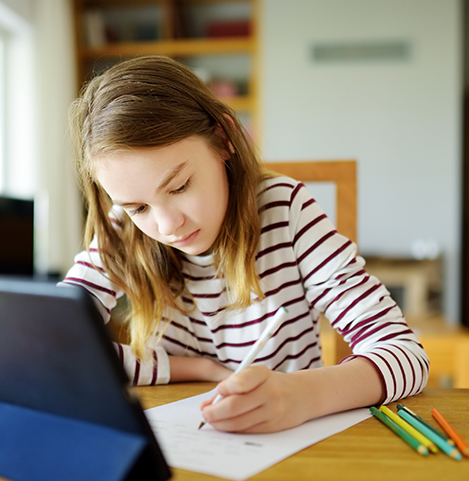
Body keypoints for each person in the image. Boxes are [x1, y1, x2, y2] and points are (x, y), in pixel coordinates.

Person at [62, 55, 428, 434]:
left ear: (223, 139)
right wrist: (199, 369)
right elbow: (56, 349)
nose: (168, 225)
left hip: (287, 445)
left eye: (180, 186)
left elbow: (407, 356)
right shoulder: (123, 230)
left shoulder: (286, 212)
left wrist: (303, 395)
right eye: (138, 206)